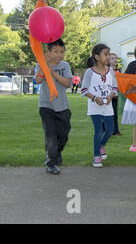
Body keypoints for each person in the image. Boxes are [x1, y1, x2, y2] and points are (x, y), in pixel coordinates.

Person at [34, 39, 73, 175]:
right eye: (55, 51)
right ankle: (51, 163)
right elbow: (38, 80)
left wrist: (54, 74)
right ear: (48, 52)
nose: (59, 54)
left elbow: (68, 83)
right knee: (51, 135)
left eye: (61, 52)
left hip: (62, 107)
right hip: (46, 106)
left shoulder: (65, 65)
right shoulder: (41, 64)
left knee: (63, 136)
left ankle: (56, 153)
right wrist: (43, 68)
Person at [80, 44, 119, 168]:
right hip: (95, 106)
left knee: (110, 130)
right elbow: (84, 90)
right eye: (105, 54)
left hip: (107, 106)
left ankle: (101, 145)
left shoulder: (110, 71)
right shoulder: (89, 72)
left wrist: (110, 96)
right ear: (97, 56)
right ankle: (96, 156)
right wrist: (95, 98)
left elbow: (115, 87)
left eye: (109, 54)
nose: (108, 57)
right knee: (98, 130)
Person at [109, 52, 121, 136]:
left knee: (114, 113)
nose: (115, 60)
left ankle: (115, 130)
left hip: (117, 94)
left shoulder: (118, 70)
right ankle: (108, 130)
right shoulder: (107, 70)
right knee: (109, 113)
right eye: (112, 58)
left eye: (116, 58)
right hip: (109, 94)